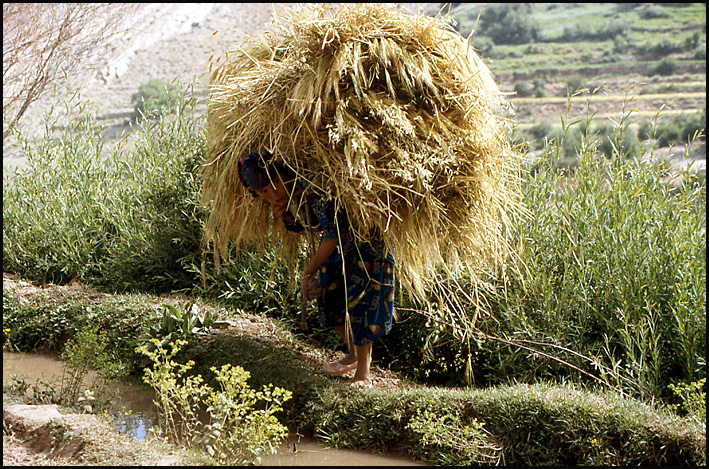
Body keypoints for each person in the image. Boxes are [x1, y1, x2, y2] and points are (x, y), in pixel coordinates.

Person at [237, 149, 395, 386]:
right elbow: (315, 224)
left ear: (283, 175)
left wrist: (308, 271)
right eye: (263, 192)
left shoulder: (312, 185)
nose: (272, 194)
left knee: (361, 301)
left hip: (368, 242)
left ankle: (364, 373)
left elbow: (332, 235)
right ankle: (353, 354)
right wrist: (288, 219)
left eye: (274, 185)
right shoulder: (292, 195)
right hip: (343, 246)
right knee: (327, 294)